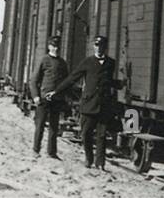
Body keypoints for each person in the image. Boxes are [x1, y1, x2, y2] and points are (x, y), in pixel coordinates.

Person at [50, 34, 119, 170]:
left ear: (105, 48)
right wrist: (57, 91)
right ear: (94, 47)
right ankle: (89, 158)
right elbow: (72, 78)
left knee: (102, 136)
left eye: (101, 46)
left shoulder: (111, 63)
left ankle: (100, 163)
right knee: (86, 133)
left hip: (104, 105)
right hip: (89, 104)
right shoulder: (87, 62)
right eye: (96, 46)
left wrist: (119, 84)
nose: (99, 49)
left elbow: (108, 81)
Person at [30, 35, 70, 158]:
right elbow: (33, 80)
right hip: (43, 98)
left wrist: (64, 96)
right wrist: (36, 96)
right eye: (53, 46)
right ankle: (36, 150)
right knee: (40, 125)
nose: (55, 49)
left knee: (54, 126)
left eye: (57, 46)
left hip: (56, 99)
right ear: (49, 47)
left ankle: (52, 152)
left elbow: (66, 82)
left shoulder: (62, 63)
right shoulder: (44, 60)